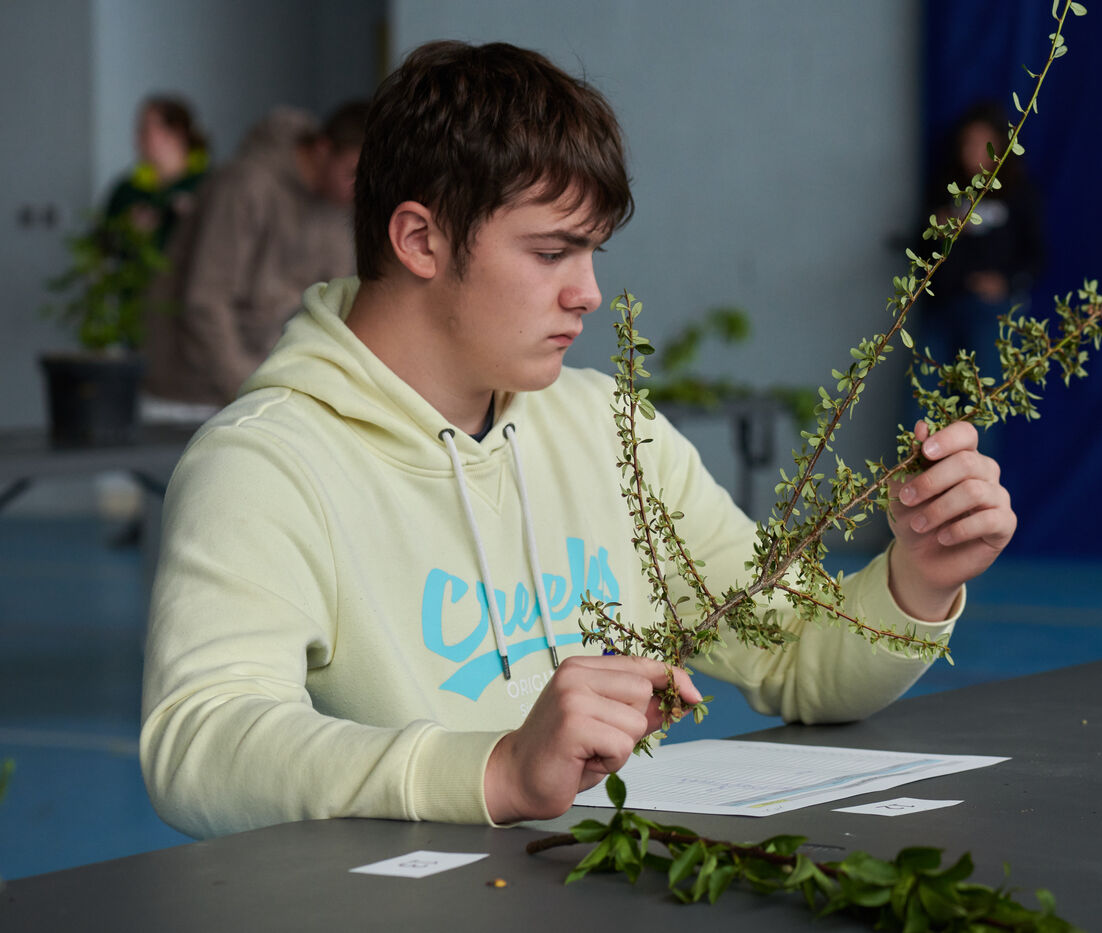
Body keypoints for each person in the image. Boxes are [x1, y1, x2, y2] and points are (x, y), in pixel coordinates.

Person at [140, 41, 1017, 838]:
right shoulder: (266, 461)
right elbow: (200, 743)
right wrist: (495, 769)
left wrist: (918, 576)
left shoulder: (609, 426)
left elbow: (795, 650)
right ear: (419, 239)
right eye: (552, 253)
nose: (589, 293)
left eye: (592, 252)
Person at [141, 100, 369, 420]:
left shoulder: (338, 207)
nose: (359, 189)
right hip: (197, 398)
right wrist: (252, 391)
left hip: (272, 396)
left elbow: (337, 307)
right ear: (322, 149)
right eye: (352, 173)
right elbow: (206, 302)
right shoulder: (245, 184)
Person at [908, 101, 1044, 447]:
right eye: (967, 143)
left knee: (982, 405)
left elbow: (1036, 255)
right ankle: (918, 467)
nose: (974, 152)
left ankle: (973, 474)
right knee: (923, 401)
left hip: (989, 314)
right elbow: (918, 250)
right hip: (941, 308)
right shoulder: (945, 189)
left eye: (984, 144)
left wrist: (1005, 282)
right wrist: (939, 227)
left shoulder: (1017, 192)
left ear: (1000, 147)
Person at [103, 95, 210, 250]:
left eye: (147, 129)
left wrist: (192, 218)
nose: (139, 137)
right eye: (139, 129)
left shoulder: (207, 184)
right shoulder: (127, 190)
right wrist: (127, 229)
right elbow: (100, 245)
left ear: (175, 133)